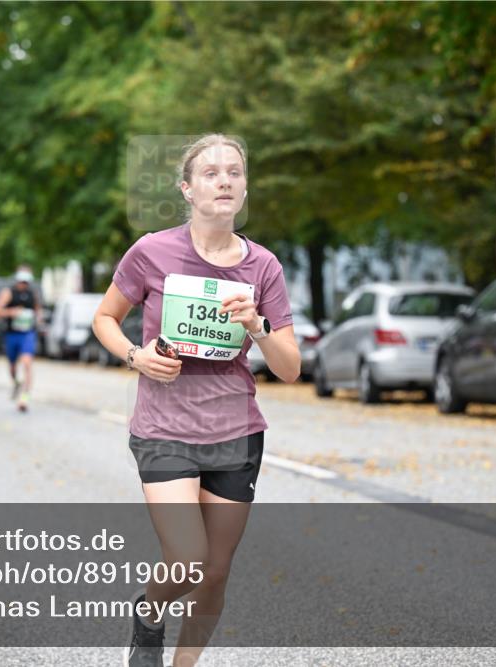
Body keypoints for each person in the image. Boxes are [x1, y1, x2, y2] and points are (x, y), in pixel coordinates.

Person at [91, 135, 299, 666]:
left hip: (236, 430)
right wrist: (136, 356)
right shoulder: (152, 251)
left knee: (216, 571)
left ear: (245, 187)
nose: (224, 179)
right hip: (164, 428)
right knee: (187, 560)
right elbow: (105, 318)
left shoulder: (264, 268)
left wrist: (257, 324)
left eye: (234, 171)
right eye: (210, 173)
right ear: (187, 188)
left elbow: (290, 368)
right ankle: (150, 610)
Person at [0, 266, 41, 412]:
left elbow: (37, 309)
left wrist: (37, 319)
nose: (24, 285)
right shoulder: (8, 293)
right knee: (13, 367)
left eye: (26, 282)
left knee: (27, 363)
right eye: (21, 281)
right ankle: (15, 382)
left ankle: (24, 398)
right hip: (12, 334)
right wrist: (11, 312)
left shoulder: (32, 294)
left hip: (27, 334)